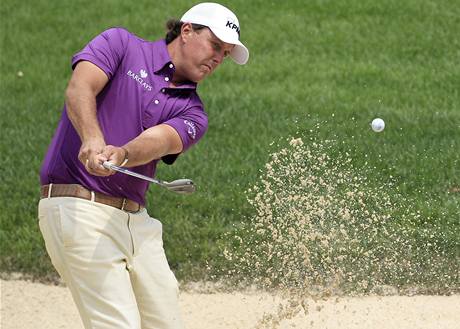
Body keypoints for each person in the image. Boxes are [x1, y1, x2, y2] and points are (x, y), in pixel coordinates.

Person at [38, 3, 249, 329]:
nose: (218, 58)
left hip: (137, 223)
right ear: (187, 30)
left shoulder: (194, 112)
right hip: (78, 208)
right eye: (215, 46)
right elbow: (80, 88)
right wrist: (92, 139)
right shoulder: (120, 44)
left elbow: (160, 141)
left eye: (226, 53)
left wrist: (122, 154)